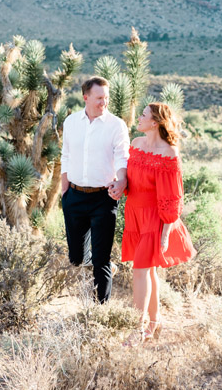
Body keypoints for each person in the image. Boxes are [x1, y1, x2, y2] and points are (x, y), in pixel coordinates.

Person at [119, 101, 195, 345]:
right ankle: (155, 322)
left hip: (154, 219)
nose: (138, 119)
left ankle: (137, 330)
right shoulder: (136, 144)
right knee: (148, 271)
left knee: (140, 271)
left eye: (143, 116)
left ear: (155, 122)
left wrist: (165, 232)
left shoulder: (169, 152)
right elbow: (131, 179)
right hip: (134, 213)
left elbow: (173, 197)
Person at [60, 76, 130, 303]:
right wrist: (64, 192)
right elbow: (66, 156)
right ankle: (103, 266)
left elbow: (122, 158)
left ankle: (101, 309)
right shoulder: (70, 122)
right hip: (74, 197)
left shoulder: (116, 125)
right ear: (86, 97)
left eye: (106, 98)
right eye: (99, 98)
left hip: (104, 197)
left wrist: (121, 181)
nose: (104, 102)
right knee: (76, 258)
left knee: (100, 259)